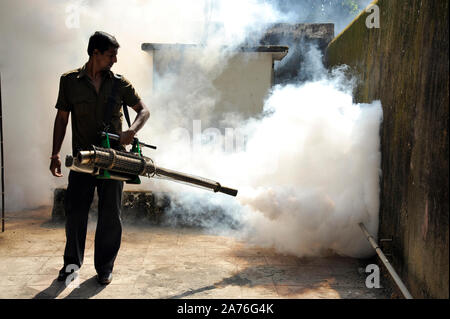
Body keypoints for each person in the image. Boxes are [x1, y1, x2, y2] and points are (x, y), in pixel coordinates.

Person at [50, 31, 150, 285]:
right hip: (83, 161)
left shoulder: (119, 83)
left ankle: (105, 268)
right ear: (95, 53)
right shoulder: (70, 81)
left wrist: (132, 131)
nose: (115, 60)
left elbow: (144, 111)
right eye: (110, 54)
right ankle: (71, 265)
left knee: (110, 216)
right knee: (75, 214)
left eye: (115, 54)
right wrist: (55, 154)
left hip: (114, 160)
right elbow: (62, 119)